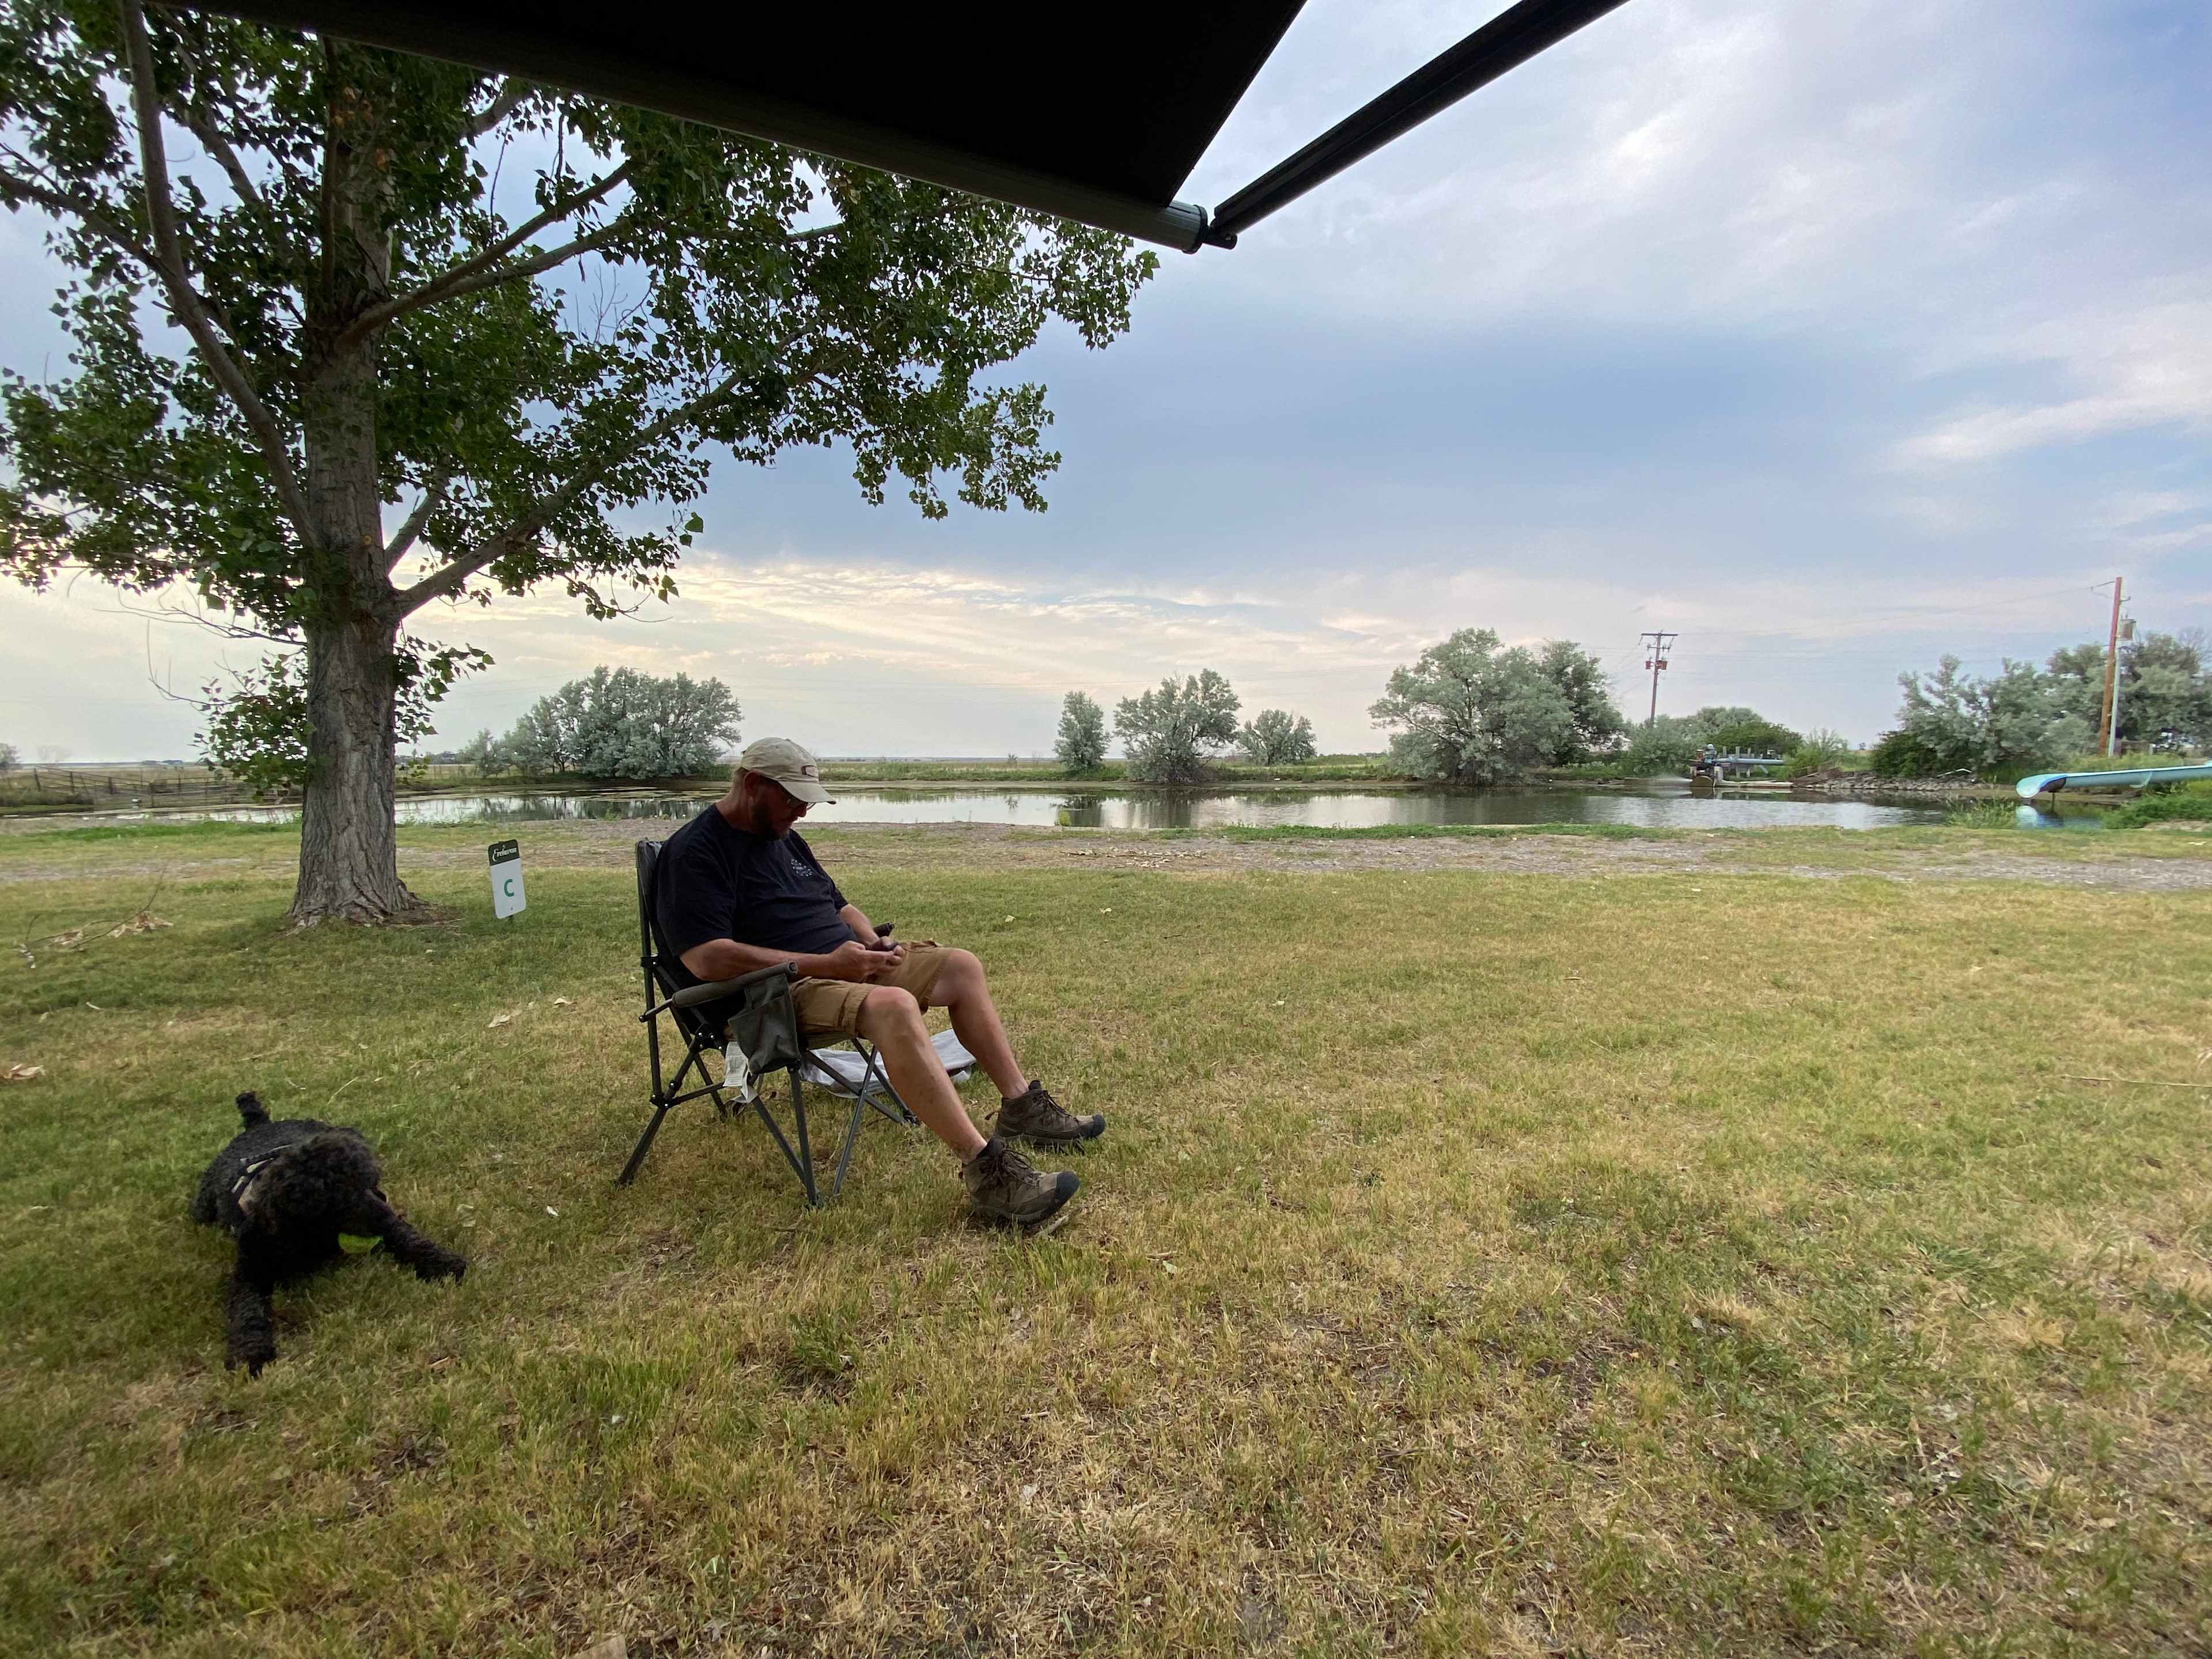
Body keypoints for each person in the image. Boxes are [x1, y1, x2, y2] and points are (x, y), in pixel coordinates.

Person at [655, 737, 1104, 1229]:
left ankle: (1021, 1107)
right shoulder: (695, 852)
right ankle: (986, 1170)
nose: (802, 812)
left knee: (960, 967)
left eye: (807, 801)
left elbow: (839, 906)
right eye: (793, 799)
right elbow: (706, 959)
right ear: (753, 785)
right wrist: (826, 964)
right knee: (893, 1006)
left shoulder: (782, 836)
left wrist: (872, 943)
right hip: (771, 995)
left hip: (843, 966)